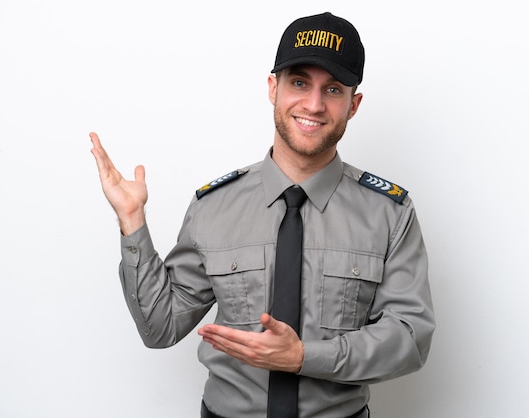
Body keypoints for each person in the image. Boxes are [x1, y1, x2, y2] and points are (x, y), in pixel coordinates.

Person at [90, 11, 434, 418]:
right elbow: (160, 327)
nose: (314, 104)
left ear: (353, 105)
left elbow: (410, 339)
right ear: (273, 87)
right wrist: (132, 221)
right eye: (300, 82)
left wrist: (304, 356)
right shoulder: (213, 207)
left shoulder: (389, 213)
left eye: (334, 90)